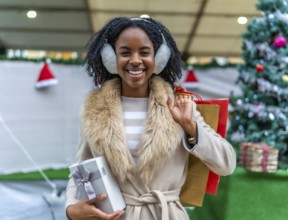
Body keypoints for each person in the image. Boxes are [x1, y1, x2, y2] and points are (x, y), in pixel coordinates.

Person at [65, 15, 236, 220]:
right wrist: (71, 209)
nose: (135, 60)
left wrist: (190, 128)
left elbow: (227, 164)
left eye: (144, 52)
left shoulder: (179, 106)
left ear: (159, 58)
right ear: (111, 59)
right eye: (125, 52)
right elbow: (81, 172)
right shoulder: (93, 110)